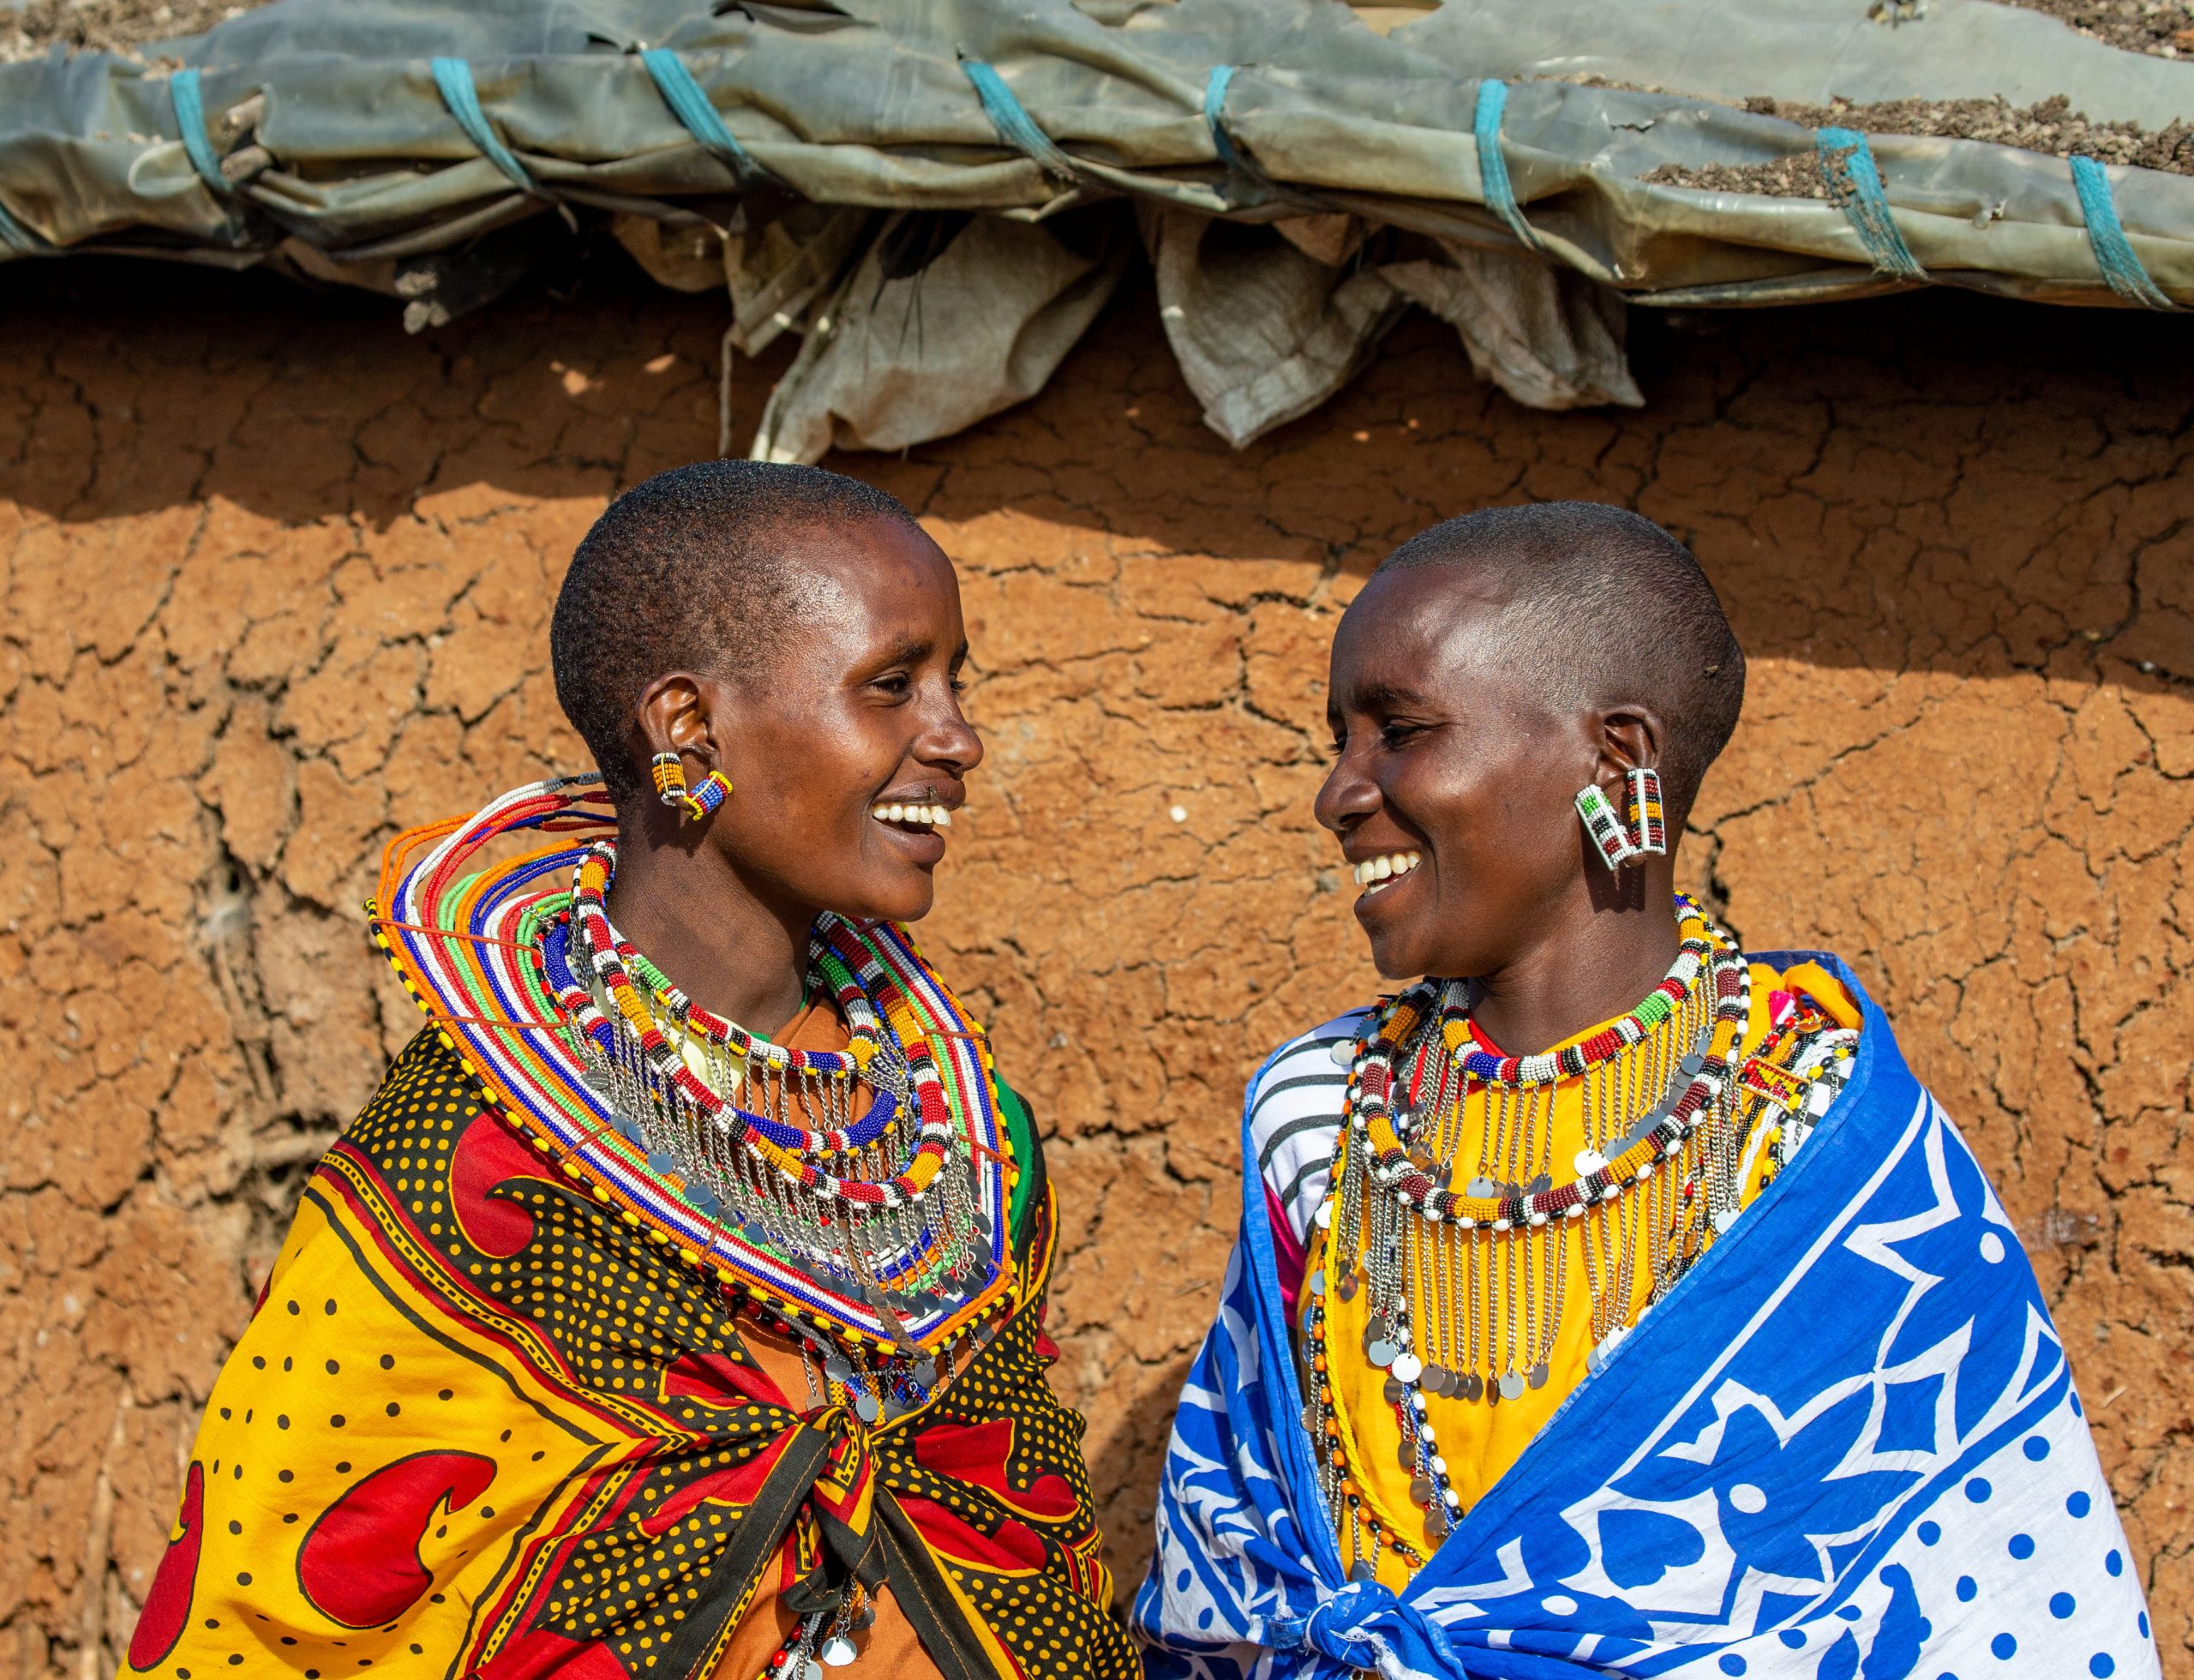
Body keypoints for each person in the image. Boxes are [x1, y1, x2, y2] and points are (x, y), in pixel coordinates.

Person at [123, 462, 1139, 1680]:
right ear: (687, 724)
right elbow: (274, 1614)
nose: (957, 736)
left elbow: (1027, 1559)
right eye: (892, 685)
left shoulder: (965, 1151)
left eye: (954, 682)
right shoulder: (474, 1171)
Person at [1134, 503, 2158, 1678]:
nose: (1339, 793)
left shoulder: (1821, 1139)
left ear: (1616, 756)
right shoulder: (1320, 1116)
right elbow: (1234, 1571)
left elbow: (1989, 1592)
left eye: (1400, 732)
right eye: (1339, 739)